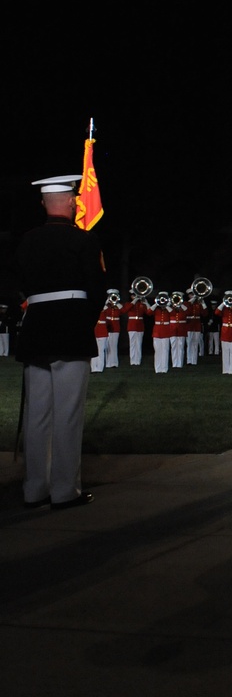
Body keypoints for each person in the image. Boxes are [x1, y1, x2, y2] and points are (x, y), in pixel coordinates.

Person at [14, 173, 106, 510]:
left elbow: (19, 282)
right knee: (67, 414)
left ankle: (34, 487)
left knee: (38, 415)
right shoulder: (83, 241)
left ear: (43, 203)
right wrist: (83, 321)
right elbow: (96, 289)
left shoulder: (26, 241)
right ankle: (65, 490)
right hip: (70, 328)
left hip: (36, 329)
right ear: (70, 202)